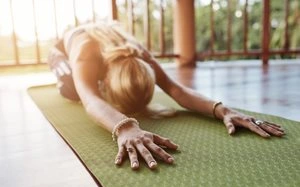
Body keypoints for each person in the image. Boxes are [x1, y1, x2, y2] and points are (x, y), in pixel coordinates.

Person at [48, 22, 285, 170]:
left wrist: (222, 109)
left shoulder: (137, 53)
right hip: (63, 47)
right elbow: (91, 99)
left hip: (109, 47)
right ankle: (63, 68)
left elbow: (177, 90)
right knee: (72, 90)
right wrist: (124, 126)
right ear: (106, 81)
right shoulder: (86, 54)